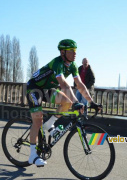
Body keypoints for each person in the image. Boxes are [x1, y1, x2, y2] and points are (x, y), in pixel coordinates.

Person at [26, 39, 102, 167]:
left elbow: (80, 85)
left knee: (66, 102)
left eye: (75, 50)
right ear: (63, 52)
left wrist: (91, 102)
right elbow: (63, 84)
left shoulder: (72, 66)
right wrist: (77, 102)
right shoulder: (57, 63)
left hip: (47, 89)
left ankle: (49, 124)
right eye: (71, 51)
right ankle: (32, 155)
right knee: (38, 120)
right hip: (34, 88)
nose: (74, 53)